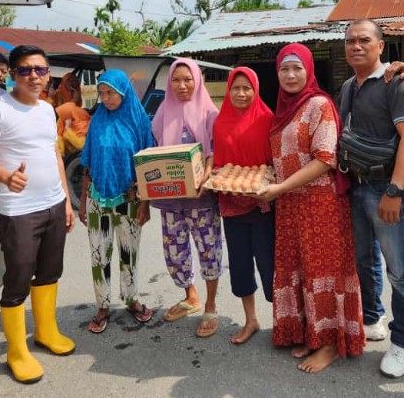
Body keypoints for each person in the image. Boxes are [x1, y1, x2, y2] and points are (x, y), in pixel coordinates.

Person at [257, 43, 365, 374]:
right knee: (301, 267)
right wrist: (268, 178)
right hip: (291, 203)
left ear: (309, 71)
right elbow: (282, 157)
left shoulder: (318, 105)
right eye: (284, 69)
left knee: (323, 271)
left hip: (320, 203)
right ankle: (312, 333)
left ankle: (331, 344)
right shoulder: (283, 109)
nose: (290, 75)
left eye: (297, 69)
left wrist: (280, 188)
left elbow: (325, 159)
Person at [0, 45, 76, 384]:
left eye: (41, 70)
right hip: (18, 211)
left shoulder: (48, 110)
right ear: (13, 74)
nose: (34, 76)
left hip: (53, 203)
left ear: (49, 74)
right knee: (18, 278)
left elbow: (55, 156)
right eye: (25, 70)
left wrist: (66, 200)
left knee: (50, 271)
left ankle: (46, 332)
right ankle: (17, 351)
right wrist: (5, 177)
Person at [338, 19, 404, 378]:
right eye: (350, 41)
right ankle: (372, 317)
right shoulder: (347, 86)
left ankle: (403, 344)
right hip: (355, 185)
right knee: (364, 259)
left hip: (385, 188)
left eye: (364, 40)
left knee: (399, 270)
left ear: (380, 46)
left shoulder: (396, 82)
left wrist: (395, 191)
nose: (356, 46)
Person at [78, 69, 157, 333]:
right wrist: (82, 200)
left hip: (129, 198)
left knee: (128, 252)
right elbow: (87, 163)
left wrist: (145, 204)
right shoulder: (97, 120)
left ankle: (131, 299)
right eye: (101, 93)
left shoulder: (139, 121)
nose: (105, 98)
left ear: (123, 92)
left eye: (110, 92)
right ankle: (102, 305)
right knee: (99, 254)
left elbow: (147, 166)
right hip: (97, 199)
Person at [150, 58, 222, 338]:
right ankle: (191, 296)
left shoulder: (209, 114)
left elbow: (215, 151)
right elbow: (154, 154)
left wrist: (207, 171)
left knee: (208, 249)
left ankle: (211, 304)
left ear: (197, 80)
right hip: (170, 200)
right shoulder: (161, 114)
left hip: (201, 198)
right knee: (175, 251)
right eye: (176, 80)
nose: (182, 86)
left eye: (187, 79)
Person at [211, 67, 275, 345]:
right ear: (228, 90)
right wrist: (213, 177)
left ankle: (282, 321)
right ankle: (251, 320)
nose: (240, 93)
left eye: (246, 88)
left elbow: (275, 162)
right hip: (231, 203)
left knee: (270, 264)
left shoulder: (268, 119)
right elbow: (218, 163)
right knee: (239, 265)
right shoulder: (220, 122)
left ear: (256, 89)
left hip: (263, 205)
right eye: (235, 88)